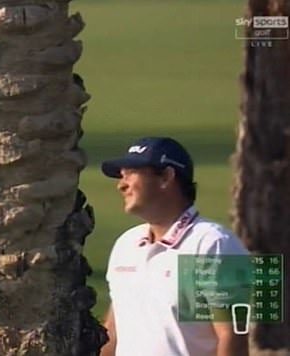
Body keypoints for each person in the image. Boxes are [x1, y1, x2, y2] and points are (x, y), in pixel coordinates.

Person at [99, 136, 250, 356]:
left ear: (166, 177)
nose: (121, 185)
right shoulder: (126, 245)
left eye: (131, 174)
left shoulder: (213, 244)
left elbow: (231, 336)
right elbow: (113, 331)